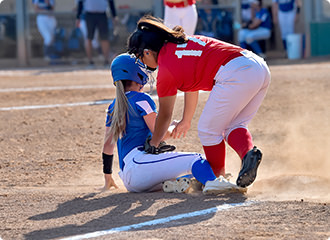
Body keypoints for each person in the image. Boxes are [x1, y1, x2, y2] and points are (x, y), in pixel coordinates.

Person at [127, 15, 271, 188]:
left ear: (147, 52)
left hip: (237, 73)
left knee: (208, 130)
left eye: (139, 57)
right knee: (235, 125)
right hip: (259, 67)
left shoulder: (166, 69)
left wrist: (153, 144)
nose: (141, 62)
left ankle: (216, 180)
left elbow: (165, 115)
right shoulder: (179, 43)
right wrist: (186, 121)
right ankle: (248, 154)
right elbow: (191, 84)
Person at [100, 53, 244, 194]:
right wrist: (174, 127)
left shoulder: (114, 106)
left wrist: (108, 178)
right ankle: (214, 183)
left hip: (130, 178)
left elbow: (108, 146)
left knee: (181, 173)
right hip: (139, 165)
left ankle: (178, 184)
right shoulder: (141, 98)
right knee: (197, 159)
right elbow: (159, 134)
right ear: (137, 74)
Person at [76, 0, 117, 67]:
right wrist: (78, 17)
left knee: (104, 38)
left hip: (102, 14)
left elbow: (111, 2)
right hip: (89, 15)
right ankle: (90, 62)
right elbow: (81, 2)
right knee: (89, 38)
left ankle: (106, 61)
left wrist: (114, 15)